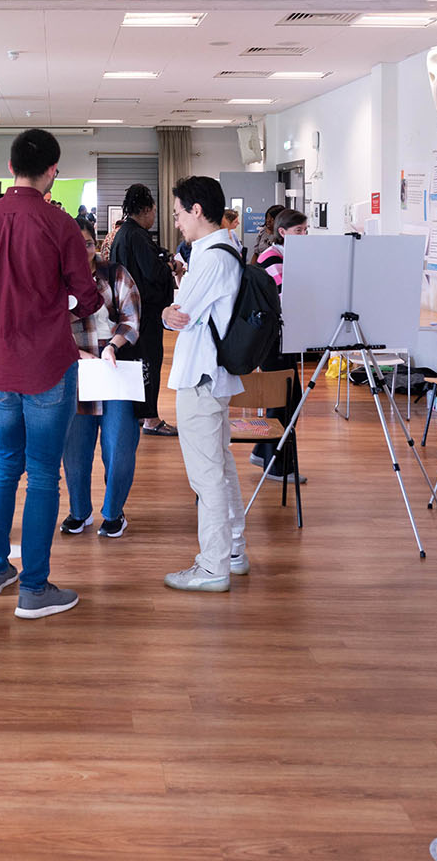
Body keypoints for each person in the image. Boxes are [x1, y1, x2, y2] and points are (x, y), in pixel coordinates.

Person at [0, 129, 99, 619]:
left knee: (4, 464)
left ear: (10, 166)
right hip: (48, 367)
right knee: (41, 476)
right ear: (52, 170)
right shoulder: (60, 225)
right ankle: (34, 587)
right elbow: (89, 295)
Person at [161, 176, 248, 593]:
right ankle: (232, 551)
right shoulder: (224, 249)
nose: (177, 221)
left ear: (197, 210)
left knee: (207, 475)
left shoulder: (211, 257)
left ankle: (214, 565)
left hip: (201, 375)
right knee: (221, 466)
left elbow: (182, 315)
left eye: (179, 213)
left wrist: (166, 312)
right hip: (214, 375)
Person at [60, 217, 142, 538]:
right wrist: (77, 354)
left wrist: (113, 346)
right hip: (75, 373)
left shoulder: (115, 273)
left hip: (114, 371)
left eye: (89, 244)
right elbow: (47, 326)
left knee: (119, 447)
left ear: (97, 244)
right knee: (75, 452)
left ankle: (114, 513)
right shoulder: (56, 278)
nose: (84, 251)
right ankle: (79, 512)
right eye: (76, 245)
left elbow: (132, 317)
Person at [109, 183, 178, 437]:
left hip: (127, 312)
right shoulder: (137, 236)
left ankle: (140, 413)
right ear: (147, 209)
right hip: (145, 313)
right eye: (153, 212)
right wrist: (170, 267)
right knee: (148, 362)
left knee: (135, 363)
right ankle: (151, 418)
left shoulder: (122, 233)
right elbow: (153, 272)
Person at [249, 208, 310, 482]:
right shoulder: (273, 257)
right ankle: (278, 467)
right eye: (299, 231)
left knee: (284, 398)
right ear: (283, 232)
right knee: (286, 398)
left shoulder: (289, 256)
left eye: (306, 230)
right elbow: (288, 297)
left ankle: (264, 453)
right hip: (272, 338)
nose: (304, 235)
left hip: (281, 336)